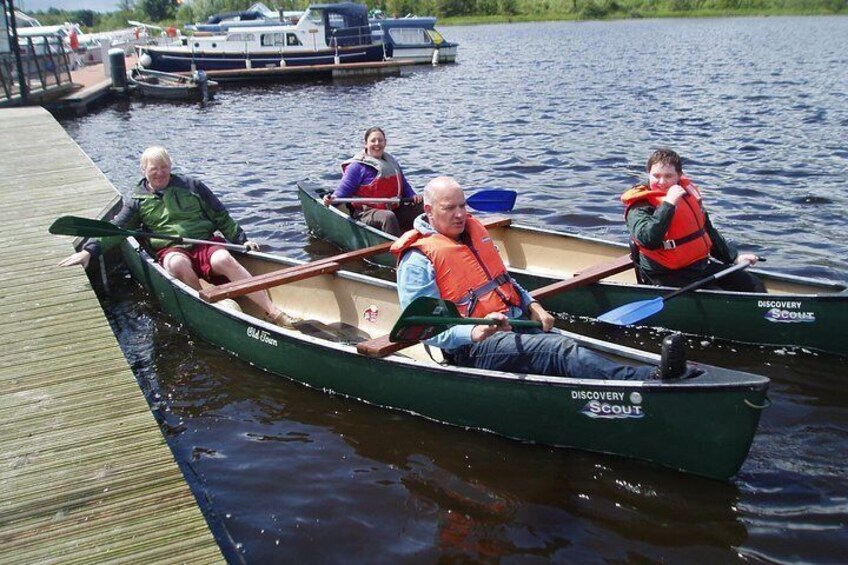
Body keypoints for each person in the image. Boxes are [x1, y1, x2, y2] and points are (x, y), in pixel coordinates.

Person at [391, 176, 688, 381]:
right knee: (561, 350)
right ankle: (647, 379)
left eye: (462, 205)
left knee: (569, 348)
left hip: (514, 324)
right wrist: (474, 332)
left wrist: (534, 305)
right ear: (429, 211)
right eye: (450, 208)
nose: (460, 214)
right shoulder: (417, 259)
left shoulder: (471, 233)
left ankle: (631, 378)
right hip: (470, 348)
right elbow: (426, 330)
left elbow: (503, 281)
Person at [58, 146, 296, 327]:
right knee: (178, 264)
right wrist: (90, 250)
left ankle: (273, 312)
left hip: (204, 242)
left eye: (164, 167)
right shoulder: (137, 201)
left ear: (170, 167)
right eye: (154, 169)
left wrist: (240, 238)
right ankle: (211, 304)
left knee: (224, 259)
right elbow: (117, 228)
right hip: (171, 248)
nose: (160, 173)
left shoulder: (192, 186)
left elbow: (220, 215)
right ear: (144, 171)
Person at [622, 148, 765, 292]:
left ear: (679, 176)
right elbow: (648, 240)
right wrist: (668, 204)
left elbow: (707, 231)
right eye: (656, 176)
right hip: (665, 273)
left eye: (668, 176)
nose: (662, 182)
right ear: (649, 174)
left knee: (753, 284)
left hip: (698, 266)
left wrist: (734, 258)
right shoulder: (639, 205)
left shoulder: (688, 196)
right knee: (719, 295)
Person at [323, 127, 423, 236]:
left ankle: (429, 240)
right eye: (373, 140)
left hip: (393, 208)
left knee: (422, 207)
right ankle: (396, 249)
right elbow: (343, 190)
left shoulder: (392, 162)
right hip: (366, 213)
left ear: (385, 143)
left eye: (380, 140)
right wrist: (332, 199)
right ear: (365, 144)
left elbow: (403, 185)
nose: (377, 144)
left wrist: (413, 195)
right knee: (388, 217)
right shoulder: (357, 167)